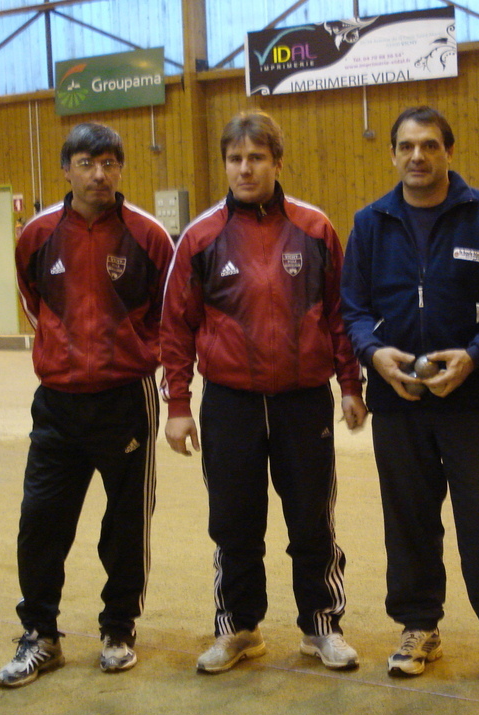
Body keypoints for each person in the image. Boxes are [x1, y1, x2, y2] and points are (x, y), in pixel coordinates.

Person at [341, 106, 479, 684]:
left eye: (429, 145)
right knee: (407, 518)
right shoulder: (371, 223)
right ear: (393, 155)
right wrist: (373, 355)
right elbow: (352, 309)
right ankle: (418, 624)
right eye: (406, 146)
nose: (417, 157)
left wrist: (475, 355)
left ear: (448, 152)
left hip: (470, 397)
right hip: (397, 398)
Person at [160, 111, 367, 674]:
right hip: (230, 403)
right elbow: (175, 325)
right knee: (233, 521)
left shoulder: (315, 228)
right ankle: (239, 629)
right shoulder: (201, 236)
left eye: (256, 157)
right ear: (225, 164)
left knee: (311, 519)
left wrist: (351, 384)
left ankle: (321, 626)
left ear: (277, 161)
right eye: (235, 158)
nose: (244, 168)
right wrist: (178, 405)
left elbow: (340, 315)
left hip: (304, 402)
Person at [0, 123, 175, 688]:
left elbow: (167, 314)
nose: (99, 174)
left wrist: (137, 356)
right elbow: (33, 301)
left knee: (125, 523)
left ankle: (119, 629)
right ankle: (40, 636)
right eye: (86, 163)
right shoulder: (37, 235)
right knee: (41, 519)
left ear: (120, 168)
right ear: (66, 169)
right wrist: (61, 349)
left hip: (127, 398)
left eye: (109, 163)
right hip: (57, 402)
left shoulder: (148, 236)